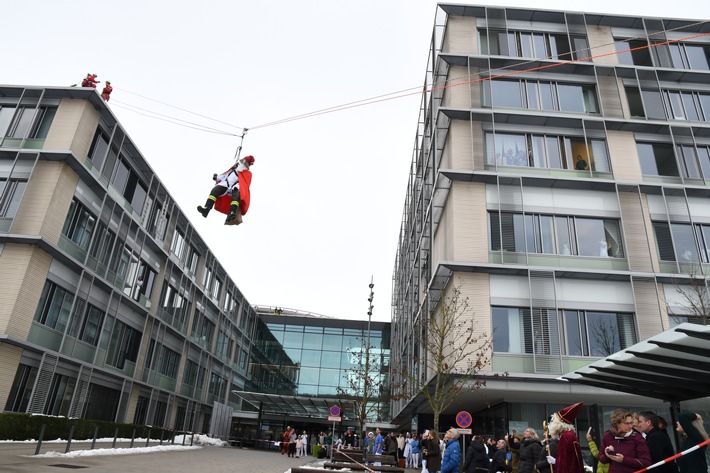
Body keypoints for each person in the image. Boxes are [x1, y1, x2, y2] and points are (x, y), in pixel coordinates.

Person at [197, 155, 254, 224]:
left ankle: (231, 213)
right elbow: (225, 175)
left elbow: (244, 183)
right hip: (225, 185)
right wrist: (217, 178)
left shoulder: (247, 173)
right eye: (242, 161)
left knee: (236, 196)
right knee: (214, 190)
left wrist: (237, 187)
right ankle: (206, 209)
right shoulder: (234, 168)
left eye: (244, 162)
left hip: (235, 188)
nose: (242, 163)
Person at [598, 408, 651, 473]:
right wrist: (607, 455)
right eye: (627, 423)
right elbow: (601, 459)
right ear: (617, 423)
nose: (630, 426)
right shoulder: (607, 436)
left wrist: (624, 459)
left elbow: (646, 462)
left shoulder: (637, 438)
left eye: (631, 423)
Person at [546, 402, 585, 473]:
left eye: (554, 420)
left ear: (559, 423)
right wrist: (556, 461)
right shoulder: (570, 435)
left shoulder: (565, 437)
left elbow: (563, 463)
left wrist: (556, 462)